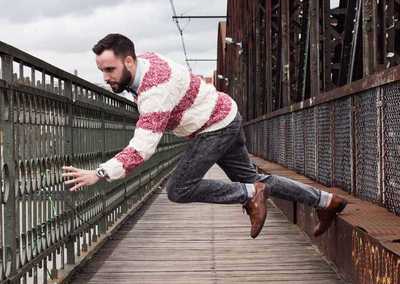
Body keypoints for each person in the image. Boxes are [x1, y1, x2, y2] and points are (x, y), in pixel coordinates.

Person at [62, 33, 347, 239]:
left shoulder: (154, 92)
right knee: (259, 180)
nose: (106, 78)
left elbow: (141, 149)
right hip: (225, 114)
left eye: (110, 69)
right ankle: (326, 201)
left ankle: (249, 194)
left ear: (129, 61)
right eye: (102, 71)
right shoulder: (146, 61)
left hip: (214, 127)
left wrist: (99, 173)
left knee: (179, 189)